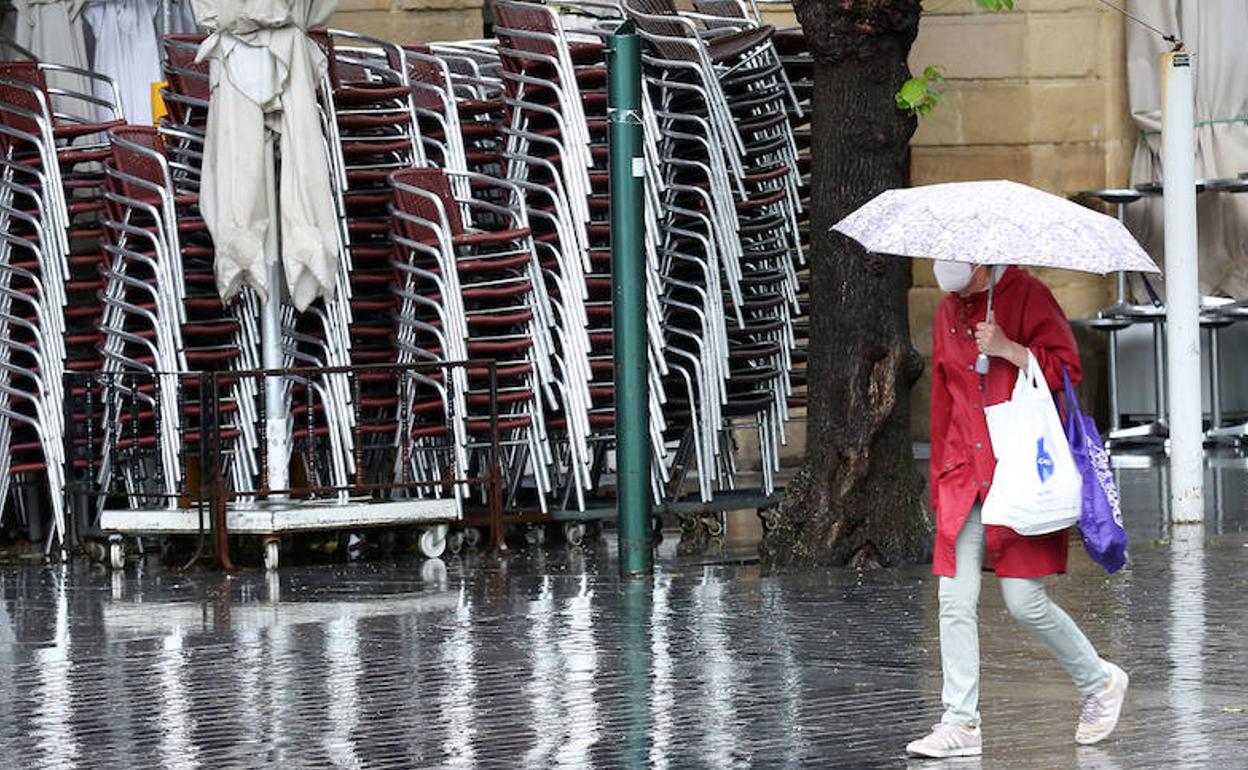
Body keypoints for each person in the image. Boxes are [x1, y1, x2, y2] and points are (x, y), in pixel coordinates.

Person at [905, 262, 1129, 759]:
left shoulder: (1028, 293)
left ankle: (1099, 681)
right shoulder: (946, 311)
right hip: (964, 474)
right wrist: (939, 482)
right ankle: (961, 722)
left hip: (1021, 472)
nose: (946, 266)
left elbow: (1067, 370)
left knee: (1024, 602)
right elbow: (944, 400)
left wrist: (1009, 349)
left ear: (981, 262)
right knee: (953, 598)